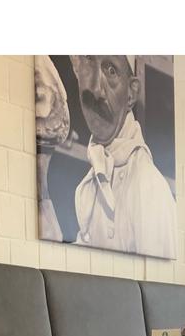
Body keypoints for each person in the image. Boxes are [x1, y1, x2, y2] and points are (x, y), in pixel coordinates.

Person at [70, 55, 177, 259]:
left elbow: (160, 278)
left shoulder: (147, 186)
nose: (96, 90)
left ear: (131, 94)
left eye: (111, 71)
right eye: (89, 64)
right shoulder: (91, 183)